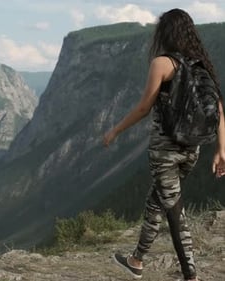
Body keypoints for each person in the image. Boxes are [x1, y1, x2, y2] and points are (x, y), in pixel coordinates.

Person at [102, 8, 225, 281]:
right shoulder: (200, 65)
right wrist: (220, 149)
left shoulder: (162, 63)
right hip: (192, 149)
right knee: (157, 201)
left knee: (174, 212)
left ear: (165, 33)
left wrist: (115, 130)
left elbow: (144, 107)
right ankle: (136, 260)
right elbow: (217, 107)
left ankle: (190, 275)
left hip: (165, 151)